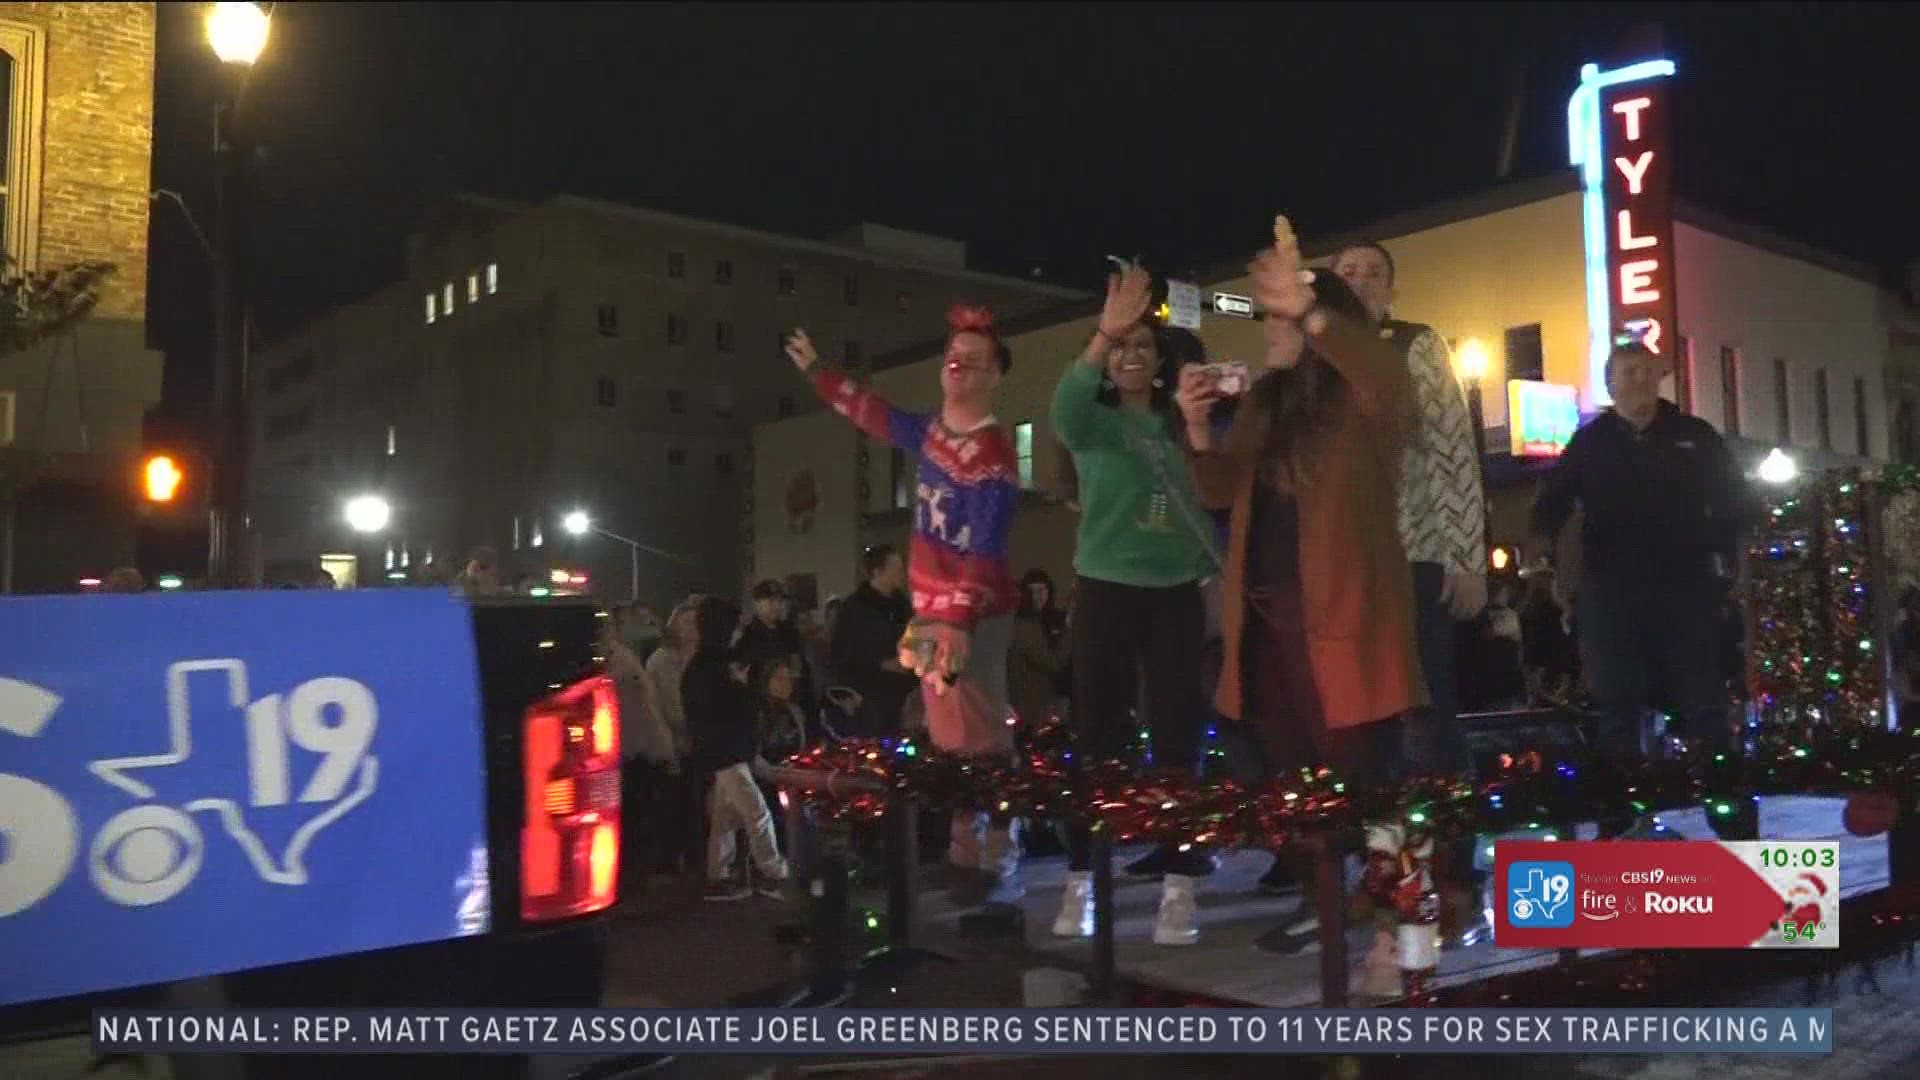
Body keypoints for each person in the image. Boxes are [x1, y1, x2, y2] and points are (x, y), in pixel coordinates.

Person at [1178, 216, 1428, 956]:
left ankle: (1398, 925)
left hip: (1347, 622)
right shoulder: (1269, 400)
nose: (1268, 331)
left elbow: (1382, 378)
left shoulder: (1364, 392)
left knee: (1373, 785)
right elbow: (1222, 492)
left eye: (1277, 319)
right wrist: (1196, 429)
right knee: (1303, 783)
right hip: (1269, 622)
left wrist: (1312, 311)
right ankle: (1326, 903)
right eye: (1270, 318)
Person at [786, 306, 1024, 908]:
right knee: (946, 733)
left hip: (969, 614)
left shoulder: (992, 455)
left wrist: (960, 617)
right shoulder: (934, 435)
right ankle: (964, 852)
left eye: (975, 361)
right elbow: (873, 413)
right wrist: (819, 373)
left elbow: (985, 544)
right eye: (954, 356)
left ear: (995, 374)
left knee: (980, 733)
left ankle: (997, 849)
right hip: (931, 613)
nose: (959, 368)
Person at [1048, 262, 1217, 946]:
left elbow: (1218, 490)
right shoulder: (1092, 423)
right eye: (1121, 349)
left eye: (1142, 348)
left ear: (1161, 361)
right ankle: (1084, 881)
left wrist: (1202, 427)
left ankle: (1180, 887)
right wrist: (1101, 333)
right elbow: (1062, 409)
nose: (1131, 356)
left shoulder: (1183, 426)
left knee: (1178, 734)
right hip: (1107, 590)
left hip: (1176, 592)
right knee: (1098, 736)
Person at [1529, 342, 1749, 762]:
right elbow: (1553, 500)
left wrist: (1733, 563)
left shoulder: (1695, 436)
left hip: (1686, 585)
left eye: (1647, 371)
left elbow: (1734, 502)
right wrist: (1540, 551)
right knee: (1616, 705)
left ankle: (1729, 806)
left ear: (1660, 377)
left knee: (1704, 701)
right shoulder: (1590, 442)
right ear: (1611, 384)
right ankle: (1622, 811)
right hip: (1612, 589)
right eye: (1629, 373)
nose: (1639, 380)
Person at [1329, 240, 1486, 774]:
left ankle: (1445, 839)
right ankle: (1374, 831)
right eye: (1348, 271)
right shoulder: (1315, 354)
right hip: (1340, 561)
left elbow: (1453, 449)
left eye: (1373, 272)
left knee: (1422, 697)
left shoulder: (1414, 344)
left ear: (1391, 290)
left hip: (1412, 551)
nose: (1360, 280)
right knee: (1354, 704)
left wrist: (1466, 558)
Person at [684, 595, 788, 901]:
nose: (737, 634)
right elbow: (724, 708)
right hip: (726, 751)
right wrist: (741, 688)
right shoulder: (713, 668)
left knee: (725, 817)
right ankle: (773, 872)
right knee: (757, 812)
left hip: (723, 750)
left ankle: (719, 875)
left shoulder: (708, 664)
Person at [829, 545, 918, 737]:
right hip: (870, 693)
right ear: (878, 572)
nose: (901, 573)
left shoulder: (903, 607)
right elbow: (842, 653)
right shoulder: (854, 609)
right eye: (895, 568)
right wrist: (880, 663)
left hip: (904, 689)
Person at [645, 600, 700, 875]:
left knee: (697, 803)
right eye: (686, 622)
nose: (692, 628)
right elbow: (665, 705)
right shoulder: (662, 660)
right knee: (672, 803)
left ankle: (694, 856)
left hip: (701, 741)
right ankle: (667, 859)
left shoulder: (704, 658)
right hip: (672, 740)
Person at [735, 580, 814, 717]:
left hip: (791, 706)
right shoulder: (747, 636)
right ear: (757, 603)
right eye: (771, 601)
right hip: (761, 709)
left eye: (779, 601)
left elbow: (800, 670)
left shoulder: (789, 633)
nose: (776, 606)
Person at [1008, 569, 1068, 731]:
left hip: (1057, 696)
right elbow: (1051, 661)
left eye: (1041, 590)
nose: (1036, 596)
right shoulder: (1024, 625)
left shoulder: (1057, 619)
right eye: (1031, 591)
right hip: (1032, 699)